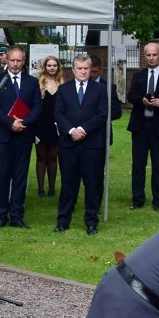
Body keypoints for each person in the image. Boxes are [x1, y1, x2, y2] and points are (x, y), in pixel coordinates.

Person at [0, 46, 42, 229]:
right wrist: (10, 123)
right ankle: (1, 215)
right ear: (6, 60)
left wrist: (23, 122)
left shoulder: (31, 82)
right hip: (3, 136)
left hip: (24, 135)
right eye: (12, 60)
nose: (16, 64)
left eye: (19, 60)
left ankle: (17, 215)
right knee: (2, 176)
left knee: (20, 177)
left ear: (24, 61)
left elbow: (37, 107)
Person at [54, 55, 108, 235]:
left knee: (92, 184)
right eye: (80, 68)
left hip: (91, 145)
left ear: (90, 69)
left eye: (86, 68)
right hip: (69, 145)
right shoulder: (63, 89)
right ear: (73, 69)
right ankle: (63, 221)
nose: (83, 71)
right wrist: (71, 131)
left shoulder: (100, 89)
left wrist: (83, 129)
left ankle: (91, 222)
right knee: (68, 184)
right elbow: (58, 114)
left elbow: (102, 114)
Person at [126, 42, 159, 211]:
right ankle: (137, 199)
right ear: (144, 56)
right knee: (138, 164)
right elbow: (131, 95)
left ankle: (158, 200)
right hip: (140, 126)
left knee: (158, 164)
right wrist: (141, 100)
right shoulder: (138, 75)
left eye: (154, 54)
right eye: (148, 55)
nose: (151, 57)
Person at [33, 56, 62, 197]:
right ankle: (40, 189)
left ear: (58, 67)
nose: (52, 68)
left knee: (52, 157)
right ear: (45, 67)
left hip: (56, 126)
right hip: (40, 125)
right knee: (41, 156)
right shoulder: (38, 84)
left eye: (54, 65)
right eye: (49, 65)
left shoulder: (62, 84)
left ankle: (52, 188)